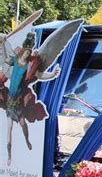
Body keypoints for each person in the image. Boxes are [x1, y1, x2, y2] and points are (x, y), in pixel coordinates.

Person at [0, 32, 60, 166]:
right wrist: (3, 44)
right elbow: (4, 60)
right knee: (9, 128)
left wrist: (53, 74)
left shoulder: (30, 66)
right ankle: (9, 155)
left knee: (22, 124)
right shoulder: (15, 60)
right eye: (25, 52)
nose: (27, 54)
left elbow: (40, 75)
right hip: (10, 98)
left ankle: (27, 139)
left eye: (29, 53)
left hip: (19, 99)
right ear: (22, 52)